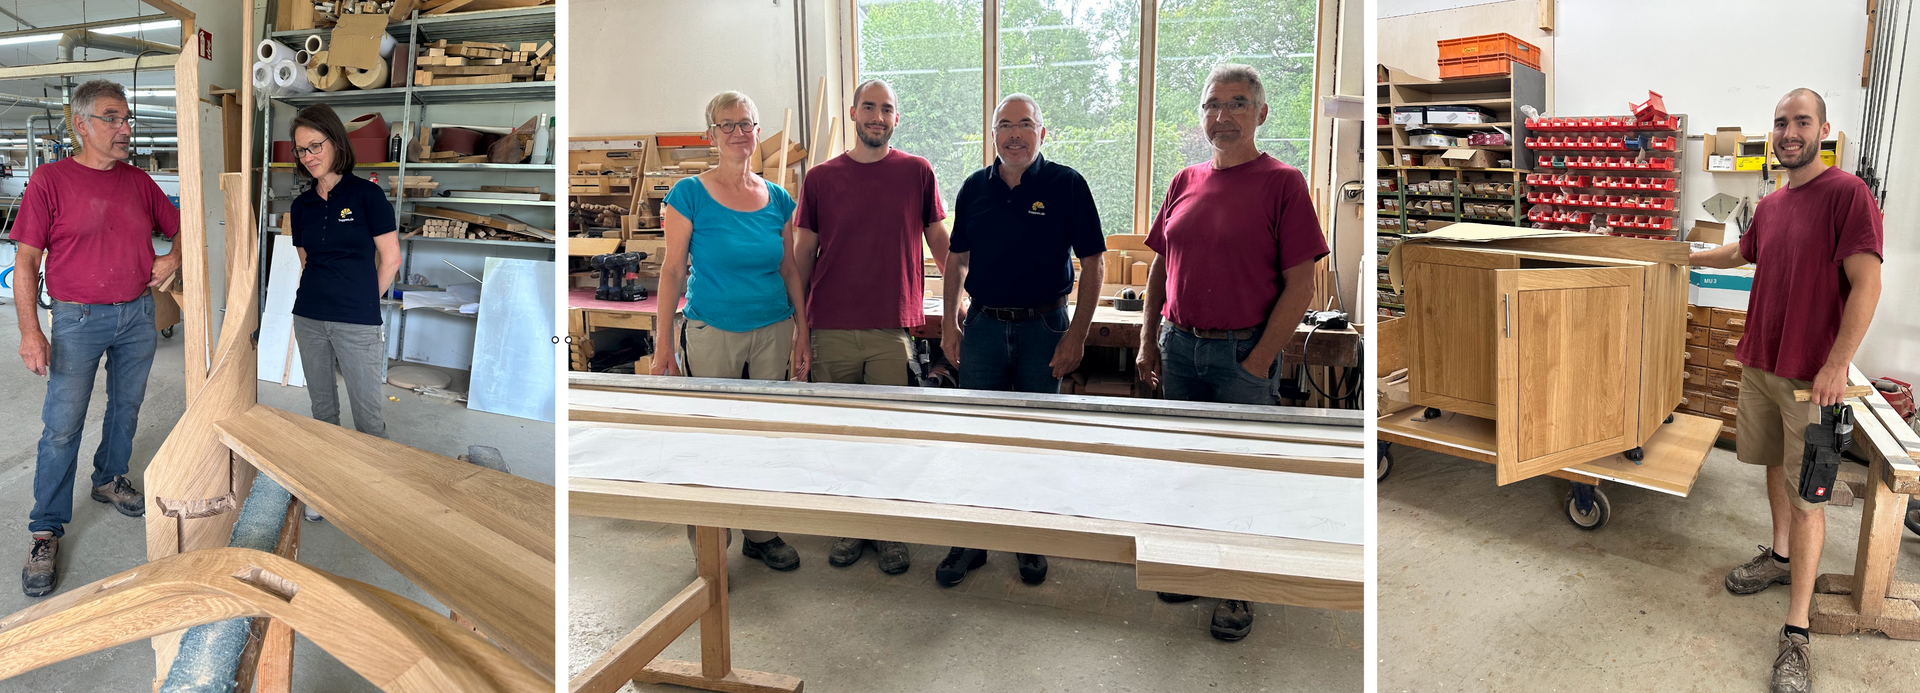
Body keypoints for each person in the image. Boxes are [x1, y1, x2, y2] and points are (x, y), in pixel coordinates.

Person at [1691, 88, 1883, 693]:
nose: (1789, 132)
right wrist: (1683, 256)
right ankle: (1779, 559)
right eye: (1781, 123)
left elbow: (1868, 284)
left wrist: (1837, 365)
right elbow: (1739, 252)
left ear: (1823, 129)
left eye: (1802, 121)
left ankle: (1796, 632)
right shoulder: (1772, 204)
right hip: (1763, 367)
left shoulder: (1848, 195)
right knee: (1774, 465)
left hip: (1812, 382)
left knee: (1809, 499)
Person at [1132, 64, 1328, 642]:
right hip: (1179, 347)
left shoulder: (1283, 183)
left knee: (1242, 474)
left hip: (1242, 353)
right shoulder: (1183, 181)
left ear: (1261, 113)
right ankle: (1196, 567)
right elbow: (1161, 268)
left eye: (1237, 103)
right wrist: (1148, 340)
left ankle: (1238, 586)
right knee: (1189, 470)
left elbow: (1301, 286)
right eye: (1212, 105)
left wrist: (1260, 359)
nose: (1223, 116)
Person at [12, 79, 179, 597]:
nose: (125, 128)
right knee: (62, 426)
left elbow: (183, 227)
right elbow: (26, 260)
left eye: (127, 119)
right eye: (113, 118)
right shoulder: (50, 180)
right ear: (81, 125)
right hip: (77, 319)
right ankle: (45, 529)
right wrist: (29, 331)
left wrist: (174, 256)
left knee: (126, 407)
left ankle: (108, 478)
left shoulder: (139, 182)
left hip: (136, 314)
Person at [936, 93, 1107, 588]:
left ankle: (1029, 536)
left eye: (1025, 124)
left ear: (1041, 133)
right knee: (978, 437)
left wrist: (1077, 335)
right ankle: (972, 539)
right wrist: (949, 324)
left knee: (1035, 437)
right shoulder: (974, 188)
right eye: (1005, 125)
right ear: (992, 135)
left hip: (1045, 327)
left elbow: (1093, 263)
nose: (1015, 134)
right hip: (984, 327)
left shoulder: (1067, 185)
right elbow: (956, 260)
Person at [794, 78, 950, 576]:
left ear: (896, 118)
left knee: (888, 434)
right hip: (830, 326)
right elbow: (802, 256)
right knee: (841, 434)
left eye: (886, 109)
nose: (877, 117)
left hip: (891, 328)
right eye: (868, 107)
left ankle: (887, 529)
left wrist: (960, 301)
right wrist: (800, 328)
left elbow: (940, 243)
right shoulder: (820, 179)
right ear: (853, 113)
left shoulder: (916, 172)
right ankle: (849, 525)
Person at [652, 90, 808, 572]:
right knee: (710, 437)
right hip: (711, 331)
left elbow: (789, 270)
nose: (739, 132)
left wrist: (803, 330)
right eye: (728, 124)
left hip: (773, 330)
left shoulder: (778, 199)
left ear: (758, 131)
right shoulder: (689, 194)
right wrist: (663, 346)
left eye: (747, 123)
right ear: (711, 134)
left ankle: (760, 533)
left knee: (764, 436)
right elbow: (672, 271)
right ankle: (709, 543)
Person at [286, 105, 402, 523]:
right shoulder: (301, 206)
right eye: (301, 150)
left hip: (357, 322)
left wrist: (363, 301)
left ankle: (377, 491)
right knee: (323, 410)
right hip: (309, 318)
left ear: (336, 142)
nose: (309, 156)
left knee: (368, 414)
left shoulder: (367, 196)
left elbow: (391, 258)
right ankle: (326, 487)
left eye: (315, 145)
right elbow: (306, 261)